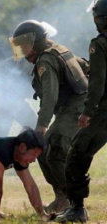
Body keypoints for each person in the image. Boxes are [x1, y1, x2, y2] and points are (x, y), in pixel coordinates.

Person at [9, 20, 89, 213]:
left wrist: (41, 126)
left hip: (77, 106)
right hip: (75, 105)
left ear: (36, 42)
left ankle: (73, 202)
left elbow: (50, 95)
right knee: (44, 149)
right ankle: (63, 198)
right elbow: (85, 67)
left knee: (54, 147)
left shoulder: (45, 60)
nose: (24, 51)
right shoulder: (58, 49)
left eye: (26, 46)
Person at [55, 0, 107, 222]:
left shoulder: (100, 44)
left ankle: (77, 208)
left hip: (104, 112)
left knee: (76, 154)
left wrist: (87, 112)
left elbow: (97, 83)